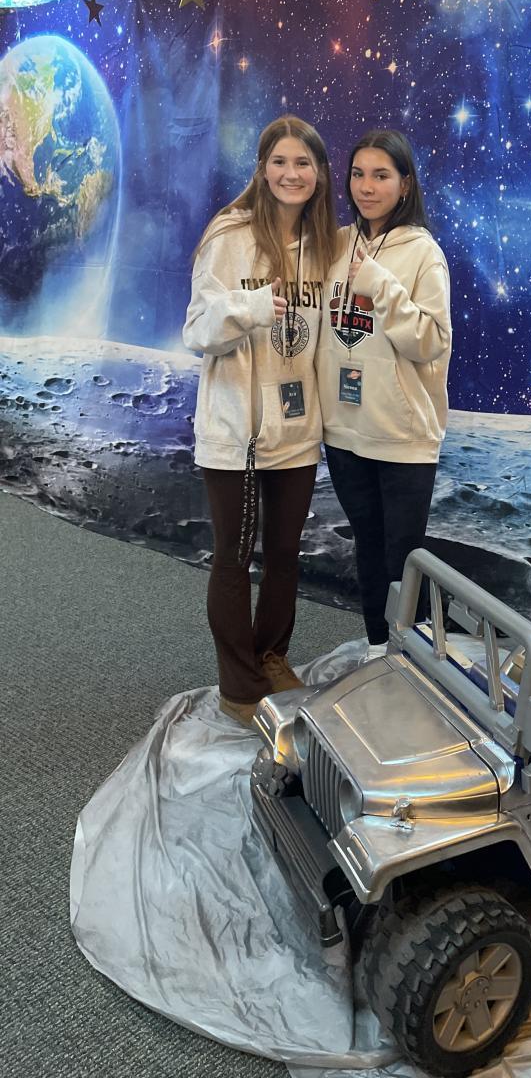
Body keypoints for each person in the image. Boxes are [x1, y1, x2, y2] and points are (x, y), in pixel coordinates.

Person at [183, 115, 339, 725]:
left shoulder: (326, 245)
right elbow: (197, 329)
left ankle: (271, 654)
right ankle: (239, 685)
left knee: (284, 554)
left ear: (319, 173)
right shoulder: (229, 235)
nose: (291, 174)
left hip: (295, 433)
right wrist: (247, 307)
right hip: (236, 434)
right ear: (262, 168)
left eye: (303, 163)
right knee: (232, 557)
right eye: (279, 161)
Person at [319, 130, 452, 653]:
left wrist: (381, 286)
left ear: (405, 184)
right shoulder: (336, 243)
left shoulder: (423, 253)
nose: (366, 187)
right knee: (368, 548)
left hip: (401, 437)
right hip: (345, 431)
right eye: (358, 174)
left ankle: (412, 661)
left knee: (403, 559)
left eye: (381, 175)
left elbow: (431, 341)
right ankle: (379, 649)